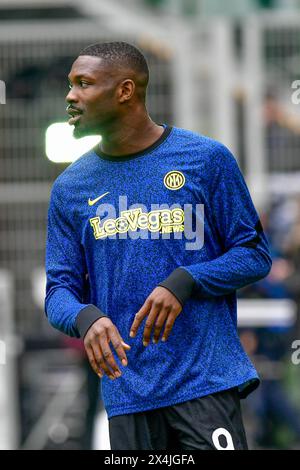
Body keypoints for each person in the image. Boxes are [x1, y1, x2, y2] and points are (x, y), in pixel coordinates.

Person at [44, 41, 272, 450]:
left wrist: (186, 280)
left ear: (125, 91)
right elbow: (58, 290)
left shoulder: (205, 160)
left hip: (204, 383)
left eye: (84, 84)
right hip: (127, 393)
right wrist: (85, 318)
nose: (71, 96)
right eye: (71, 85)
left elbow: (254, 252)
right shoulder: (70, 188)